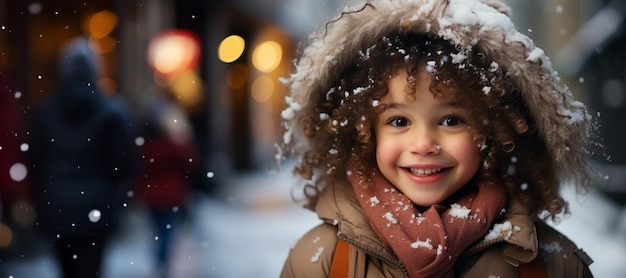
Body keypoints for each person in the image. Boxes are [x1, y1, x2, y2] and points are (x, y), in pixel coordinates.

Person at [278, 0, 598, 277]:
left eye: (451, 120)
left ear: (495, 131)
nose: (423, 144)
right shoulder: (320, 260)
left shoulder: (553, 263)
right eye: (399, 120)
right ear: (365, 133)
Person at [28, 37, 136, 278]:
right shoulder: (112, 112)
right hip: (96, 206)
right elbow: (121, 164)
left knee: (67, 269)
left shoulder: (45, 112)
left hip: (57, 205)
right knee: (91, 269)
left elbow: (35, 159)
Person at [135, 87, 201, 277]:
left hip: (151, 194)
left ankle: (160, 259)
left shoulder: (144, 147)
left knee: (158, 228)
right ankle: (162, 261)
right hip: (170, 194)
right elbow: (189, 161)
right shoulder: (172, 144)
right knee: (166, 230)